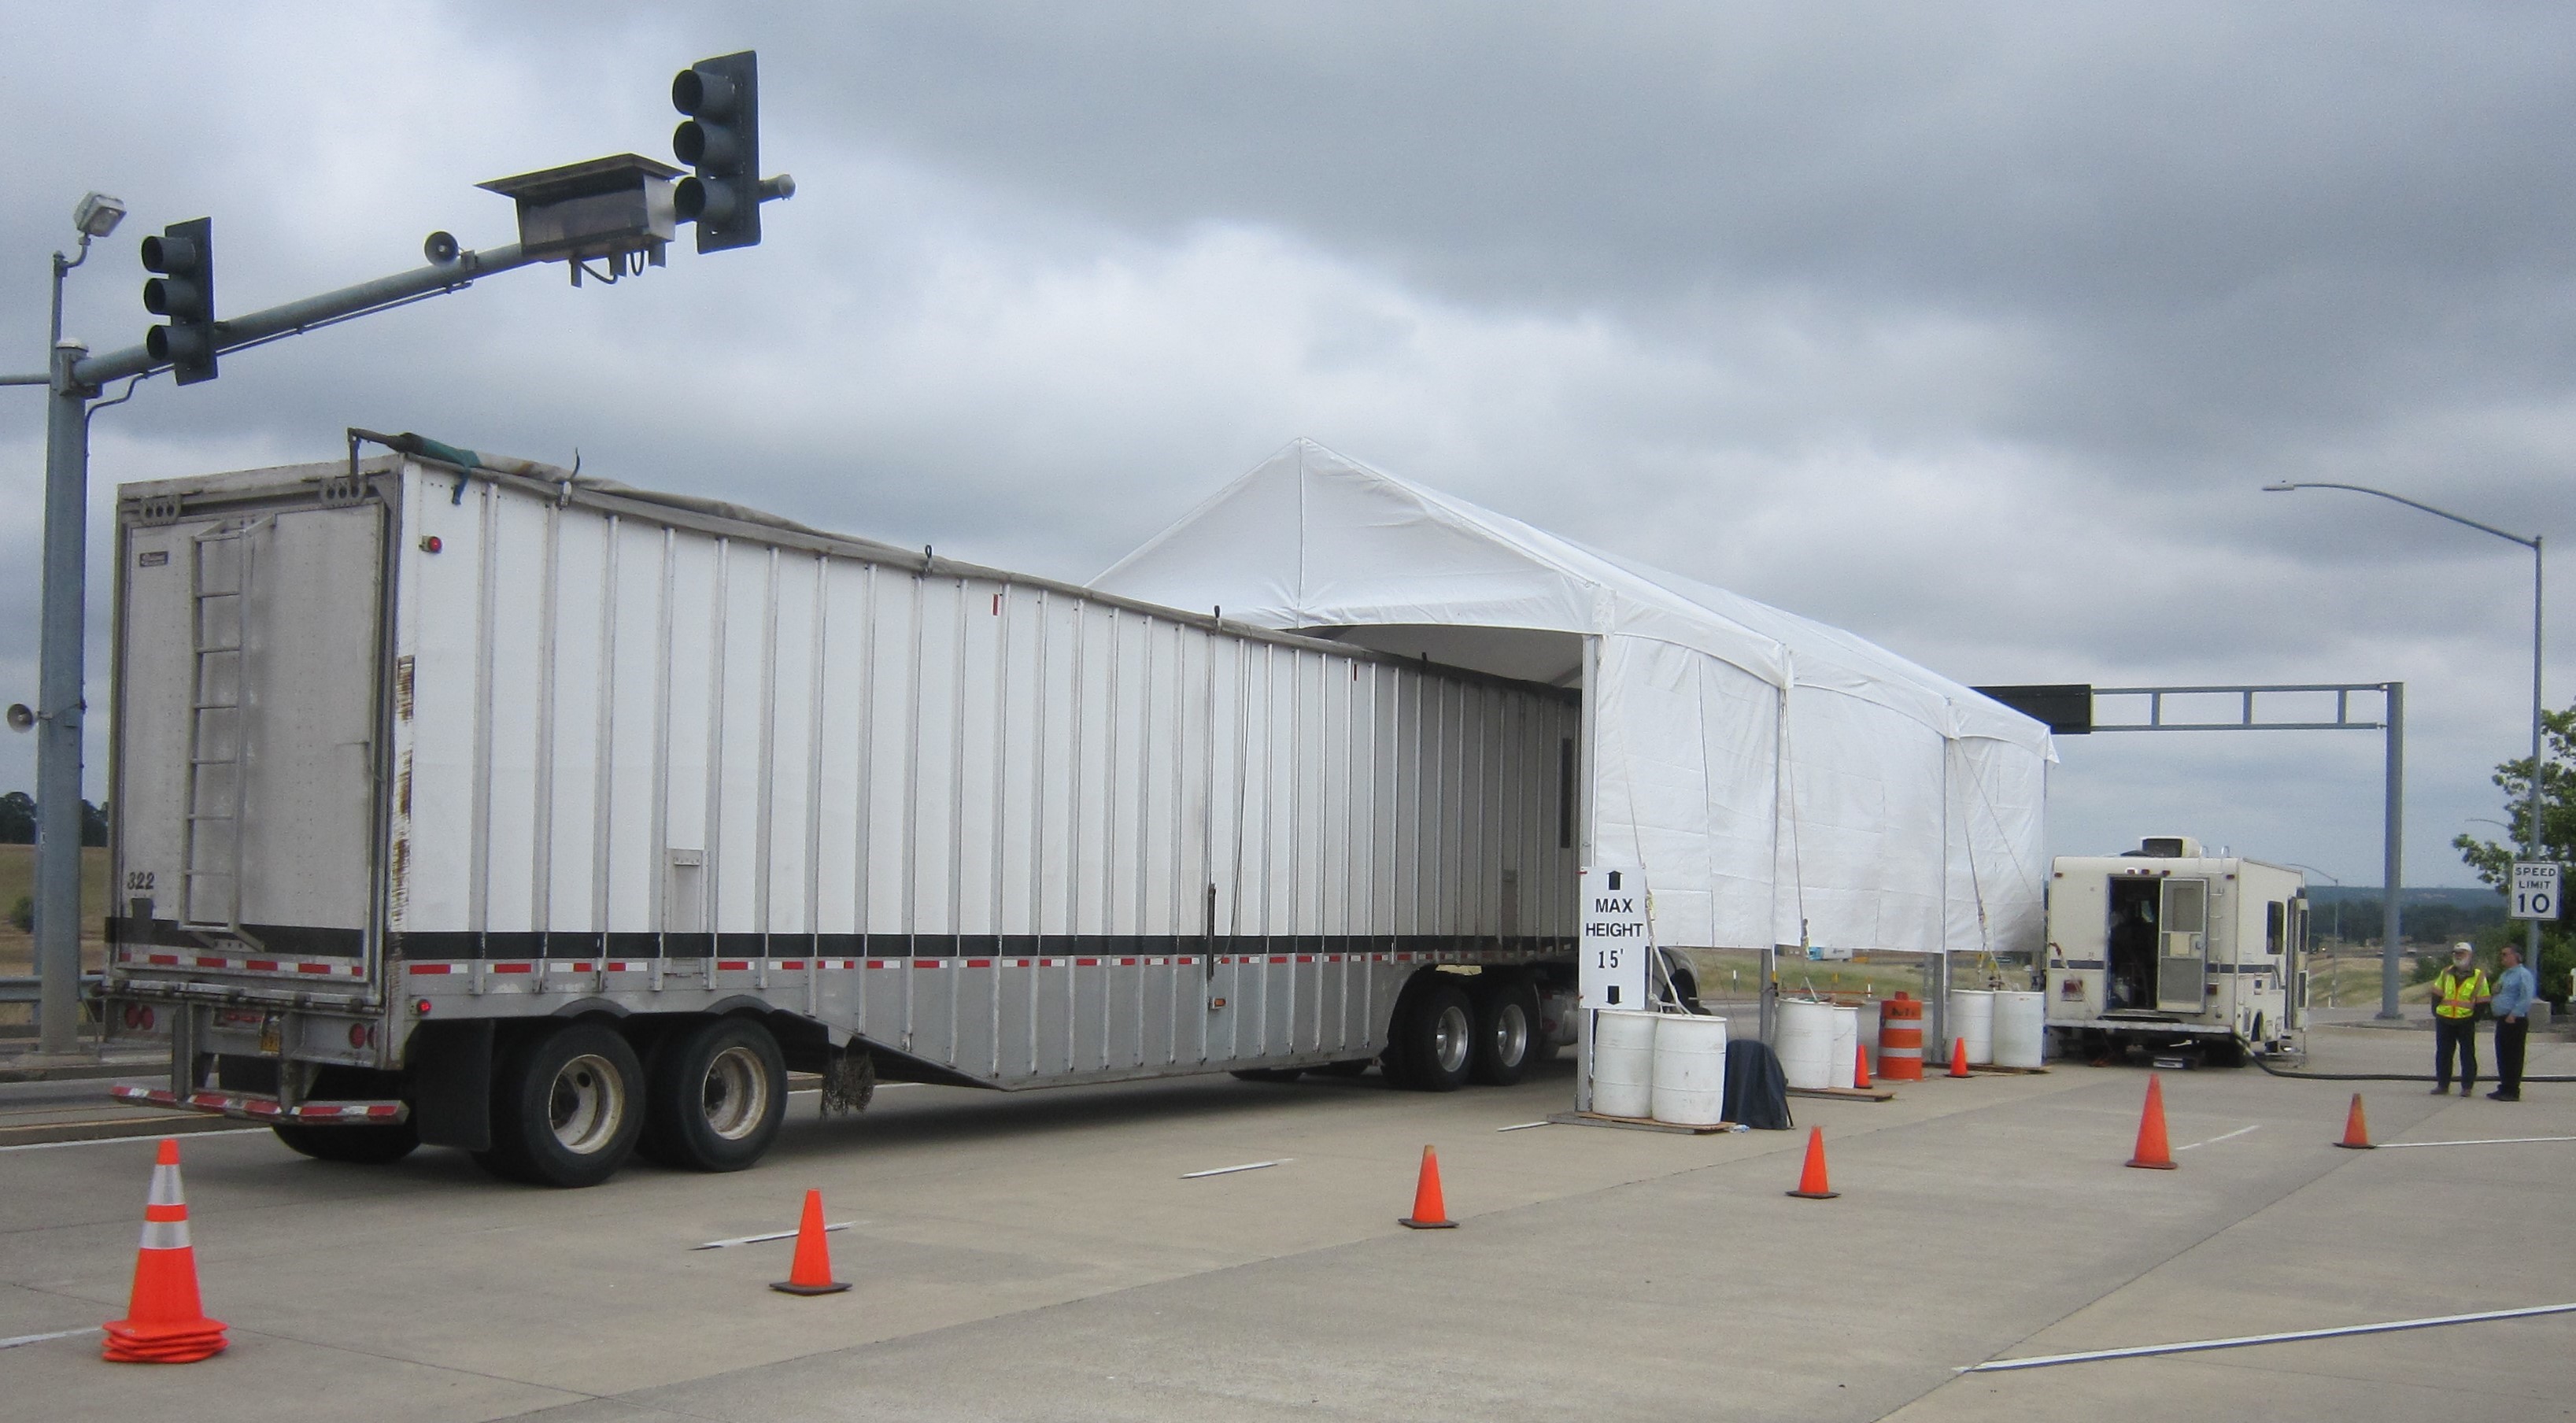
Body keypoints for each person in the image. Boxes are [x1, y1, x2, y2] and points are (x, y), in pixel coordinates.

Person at [2430, 942, 2491, 1097]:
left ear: (2470, 956)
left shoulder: (2478, 976)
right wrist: (2437, 1012)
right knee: (2443, 1053)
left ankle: (2467, 1087)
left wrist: (2475, 1017)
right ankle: (2442, 1085)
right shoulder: (2446, 973)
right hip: (2445, 1019)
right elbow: (2437, 993)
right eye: (2456, 953)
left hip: (2466, 1020)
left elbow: (2483, 999)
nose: (2458, 956)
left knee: (2467, 1054)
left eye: (2461, 953)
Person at [2488, 944, 2536, 1102]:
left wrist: (2514, 1014)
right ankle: (2504, 1086)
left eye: (2505, 954)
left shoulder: (2523, 974)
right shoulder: (2506, 975)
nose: (2502, 958)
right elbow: (2499, 990)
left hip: (2515, 1020)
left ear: (2516, 956)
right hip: (2502, 1019)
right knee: (2503, 1054)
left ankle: (2512, 1090)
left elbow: (2526, 997)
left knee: (2513, 1056)